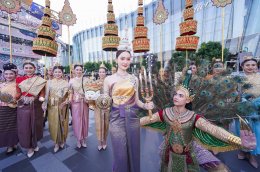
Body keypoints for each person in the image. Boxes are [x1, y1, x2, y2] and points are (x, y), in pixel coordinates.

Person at [140, 71, 256, 171]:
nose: (176, 97)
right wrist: (129, 116)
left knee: (220, 169)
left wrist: (238, 141)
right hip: (169, 152)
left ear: (188, 100)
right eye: (175, 94)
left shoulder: (193, 117)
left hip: (191, 151)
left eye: (180, 95)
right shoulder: (165, 112)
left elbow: (214, 130)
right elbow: (145, 121)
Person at [102, 45, 154, 172]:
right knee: (120, 153)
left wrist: (146, 105)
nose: (125, 62)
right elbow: (105, 101)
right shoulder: (108, 79)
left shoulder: (134, 79)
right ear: (116, 60)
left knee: (134, 150)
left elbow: (137, 101)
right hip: (116, 118)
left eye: (128, 59)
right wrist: (100, 101)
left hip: (132, 118)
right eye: (122, 58)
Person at [16, 61, 46, 158]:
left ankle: (34, 143)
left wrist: (41, 97)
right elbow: (18, 93)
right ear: (23, 69)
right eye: (26, 68)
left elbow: (42, 92)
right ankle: (29, 147)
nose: (28, 69)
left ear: (34, 69)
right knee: (25, 126)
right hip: (24, 106)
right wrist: (15, 98)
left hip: (36, 105)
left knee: (36, 125)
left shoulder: (40, 80)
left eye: (30, 67)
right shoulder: (19, 79)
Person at [235, 56, 260, 168]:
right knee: (242, 131)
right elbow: (233, 94)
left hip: (257, 111)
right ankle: (243, 151)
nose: (250, 67)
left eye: (253, 65)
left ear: (257, 66)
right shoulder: (238, 79)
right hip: (242, 109)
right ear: (242, 66)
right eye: (247, 65)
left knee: (255, 132)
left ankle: (252, 155)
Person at [42, 65, 70, 153]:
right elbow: (46, 95)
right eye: (55, 72)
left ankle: (62, 140)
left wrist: (65, 102)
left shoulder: (66, 83)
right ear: (52, 73)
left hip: (63, 106)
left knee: (63, 124)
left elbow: (69, 95)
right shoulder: (48, 82)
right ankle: (56, 143)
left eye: (59, 72)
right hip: (52, 106)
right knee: (54, 125)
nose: (57, 74)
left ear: (62, 73)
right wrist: (45, 104)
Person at [69, 64, 89, 148]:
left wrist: (87, 98)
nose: (78, 71)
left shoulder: (86, 80)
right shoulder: (71, 81)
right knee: (77, 121)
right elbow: (70, 92)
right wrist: (70, 99)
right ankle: (78, 139)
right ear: (74, 71)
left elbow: (89, 91)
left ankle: (84, 139)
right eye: (77, 70)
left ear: (82, 70)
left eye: (80, 70)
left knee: (85, 120)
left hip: (84, 102)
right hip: (75, 103)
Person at [0, 63, 18, 154]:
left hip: (13, 108)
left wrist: (13, 100)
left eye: (11, 74)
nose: (8, 76)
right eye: (6, 74)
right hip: (2, 109)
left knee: (12, 127)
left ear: (15, 74)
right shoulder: (1, 84)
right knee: (3, 127)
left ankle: (11, 144)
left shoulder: (18, 85)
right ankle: (7, 143)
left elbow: (20, 97)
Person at [94, 63, 109, 150]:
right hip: (97, 106)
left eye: (103, 72)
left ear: (105, 73)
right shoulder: (95, 82)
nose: (102, 73)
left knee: (106, 123)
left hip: (106, 106)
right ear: (98, 73)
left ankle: (105, 141)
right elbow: (92, 94)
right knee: (98, 123)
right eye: (100, 72)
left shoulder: (108, 82)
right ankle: (99, 142)